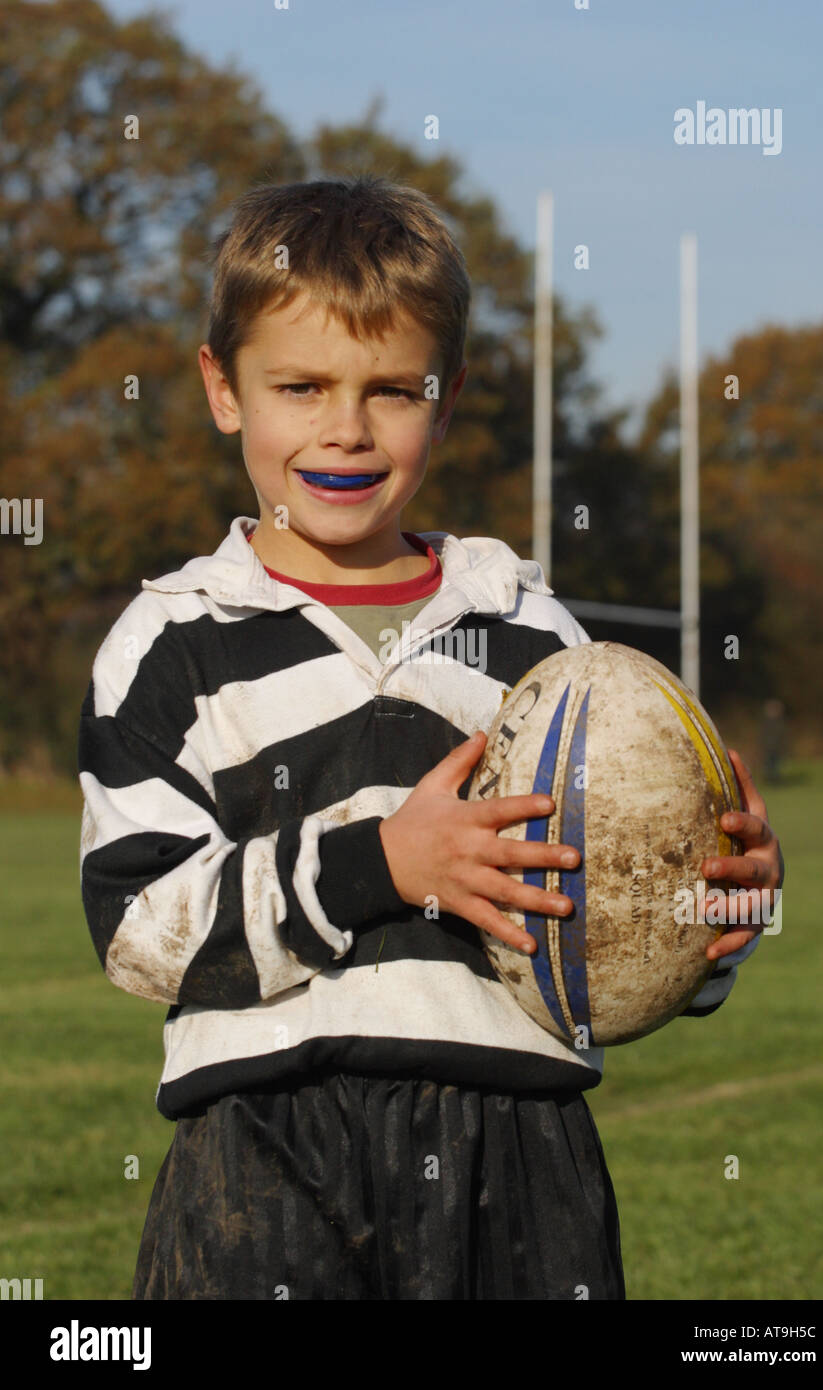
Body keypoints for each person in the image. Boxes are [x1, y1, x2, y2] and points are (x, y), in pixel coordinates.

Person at [77, 174, 784, 1300]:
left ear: (444, 402)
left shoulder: (528, 629)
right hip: (263, 1145)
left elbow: (610, 935)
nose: (344, 429)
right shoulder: (173, 638)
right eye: (299, 386)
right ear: (224, 389)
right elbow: (135, 928)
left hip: (518, 1150)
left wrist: (716, 908)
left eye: (391, 390)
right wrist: (380, 866)